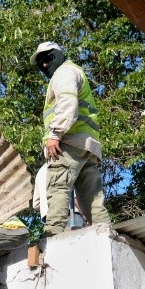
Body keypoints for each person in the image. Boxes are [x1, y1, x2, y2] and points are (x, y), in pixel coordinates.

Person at [29, 41, 109, 236]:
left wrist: (55, 135)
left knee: (57, 185)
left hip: (69, 142)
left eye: (47, 58)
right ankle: (104, 231)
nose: (45, 65)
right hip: (86, 145)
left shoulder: (63, 73)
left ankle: (52, 234)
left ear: (58, 55)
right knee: (92, 196)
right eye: (40, 63)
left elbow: (68, 103)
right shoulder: (74, 71)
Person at [33, 163, 85, 228]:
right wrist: (84, 215)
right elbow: (73, 196)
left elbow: (36, 204)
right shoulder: (62, 165)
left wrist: (48, 209)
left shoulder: (40, 173)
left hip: (49, 219)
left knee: (56, 237)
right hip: (68, 214)